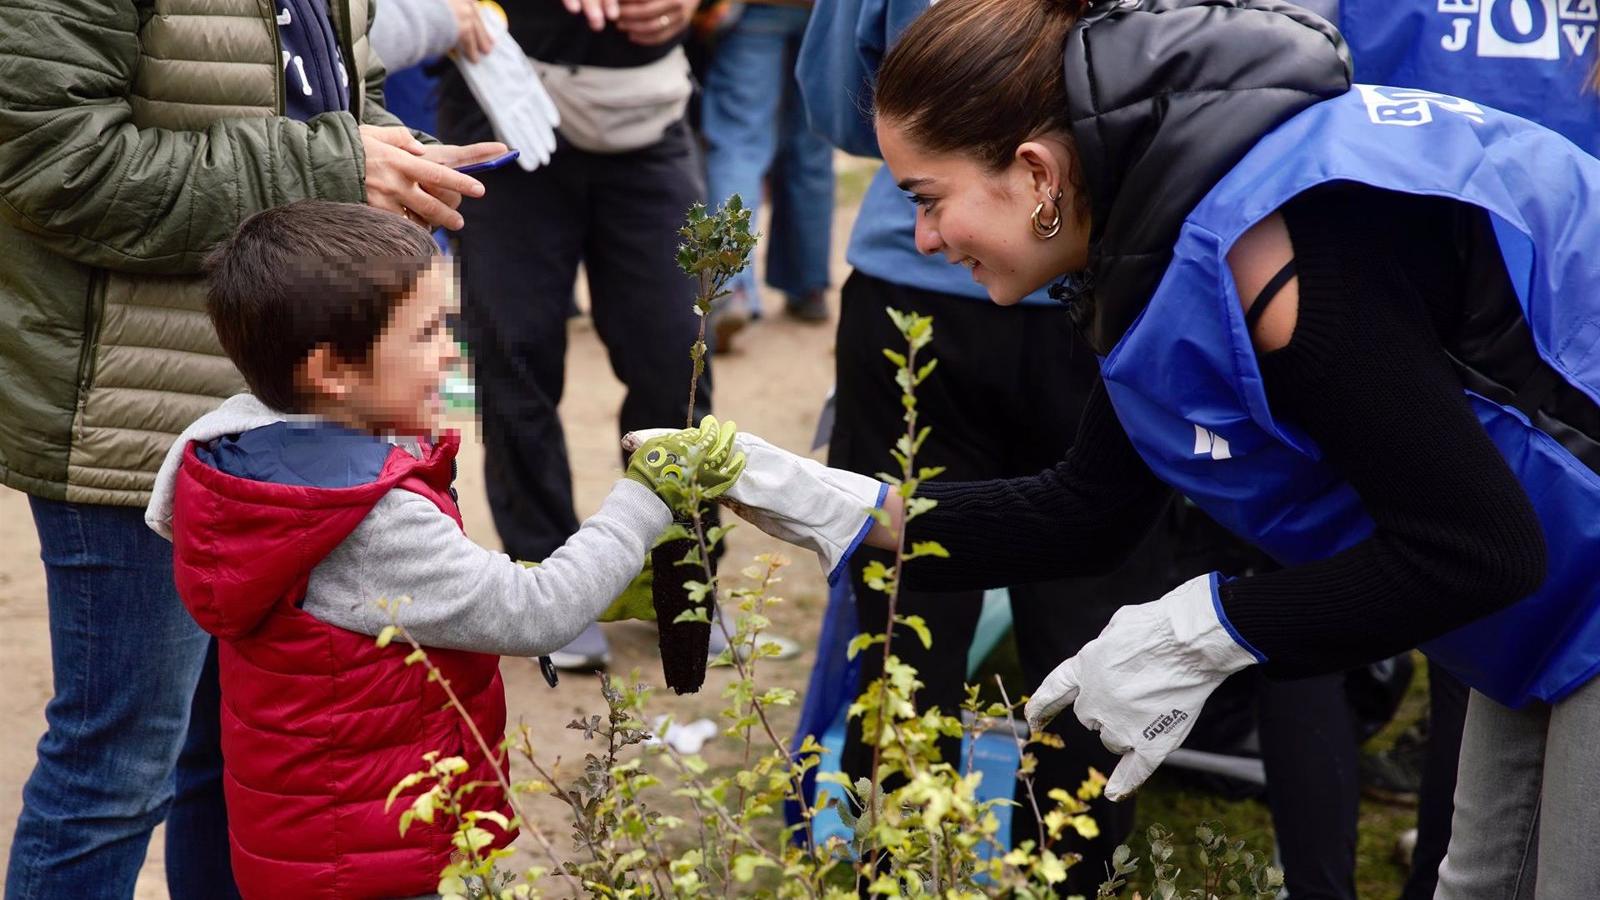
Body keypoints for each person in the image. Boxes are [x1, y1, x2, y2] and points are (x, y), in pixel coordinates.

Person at [669, 0, 1600, 895]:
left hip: (1567, 574)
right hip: (1557, 580)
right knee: (1479, 880)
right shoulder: (1155, 222)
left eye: (927, 197)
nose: (921, 237)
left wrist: (1208, 630)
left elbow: (1478, 553)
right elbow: (1086, 511)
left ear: (1036, 172)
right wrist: (833, 504)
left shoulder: (1275, 251)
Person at [0, 1, 502, 895]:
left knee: (239, 759)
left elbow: (335, 88)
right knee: (117, 772)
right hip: (136, 413)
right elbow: (53, 163)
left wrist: (394, 156)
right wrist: (337, 166)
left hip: (281, 425)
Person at [142, 200, 744, 897]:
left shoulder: (251, 451)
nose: (452, 351)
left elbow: (373, 605)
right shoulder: (366, 513)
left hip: (315, 845)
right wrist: (646, 499)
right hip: (375, 858)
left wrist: (587, 579)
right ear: (331, 372)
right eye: (427, 333)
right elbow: (535, 615)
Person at [436, 0, 715, 672]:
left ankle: (683, 583)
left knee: (675, 354)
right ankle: (545, 584)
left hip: (645, 113)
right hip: (501, 100)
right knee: (514, 351)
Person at [699, 0, 836, 350]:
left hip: (755, 10)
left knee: (739, 145)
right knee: (812, 145)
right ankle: (809, 286)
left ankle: (733, 290)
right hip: (823, 10)